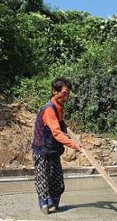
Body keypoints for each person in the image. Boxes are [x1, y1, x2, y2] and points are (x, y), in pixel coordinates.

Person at [32, 78, 82, 214]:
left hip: (53, 149)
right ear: (54, 91)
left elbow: (60, 126)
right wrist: (73, 145)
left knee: (57, 180)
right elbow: (56, 133)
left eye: (68, 93)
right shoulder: (49, 108)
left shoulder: (59, 107)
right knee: (43, 179)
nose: (67, 96)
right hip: (42, 150)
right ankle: (44, 207)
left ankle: (53, 204)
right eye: (64, 92)